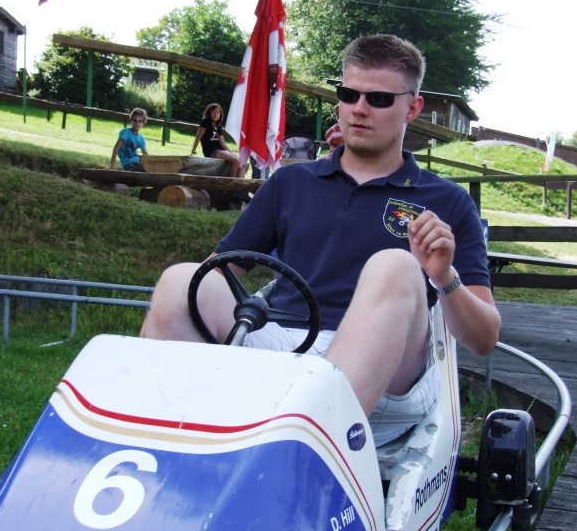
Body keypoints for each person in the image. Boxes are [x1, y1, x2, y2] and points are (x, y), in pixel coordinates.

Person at [141, 34, 501, 446]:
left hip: (389, 373)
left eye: (379, 99)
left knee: (396, 265)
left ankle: (302, 446)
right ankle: (157, 441)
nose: (359, 109)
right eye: (349, 95)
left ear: (412, 108)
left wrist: (444, 277)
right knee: (179, 280)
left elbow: (484, 338)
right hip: (287, 347)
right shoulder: (291, 182)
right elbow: (215, 275)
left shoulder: (446, 201)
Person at [192, 103, 245, 178]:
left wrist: (232, 154)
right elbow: (198, 136)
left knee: (242, 163)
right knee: (235, 161)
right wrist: (193, 150)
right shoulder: (205, 122)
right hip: (212, 151)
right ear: (209, 113)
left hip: (221, 151)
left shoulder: (218, 126)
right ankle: (231, 183)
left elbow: (223, 144)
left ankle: (240, 184)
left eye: (218, 112)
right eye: (214, 112)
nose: (216, 114)